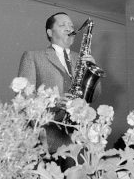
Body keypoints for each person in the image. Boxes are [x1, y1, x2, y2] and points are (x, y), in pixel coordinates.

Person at [18, 12, 101, 170]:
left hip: (75, 141)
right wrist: (54, 102)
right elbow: (23, 99)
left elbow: (92, 97)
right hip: (45, 139)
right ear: (50, 32)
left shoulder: (82, 59)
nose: (69, 28)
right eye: (63, 25)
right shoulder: (33, 57)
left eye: (71, 26)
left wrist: (91, 70)